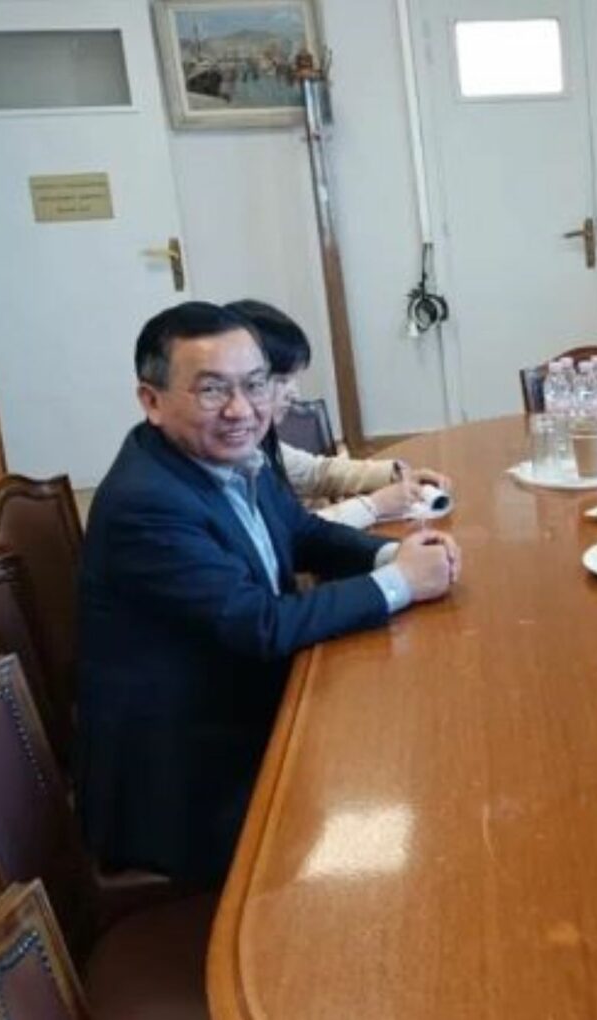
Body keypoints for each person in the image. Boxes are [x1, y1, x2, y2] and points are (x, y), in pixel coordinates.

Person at [78, 301, 463, 885]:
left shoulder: (229, 455)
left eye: (255, 385)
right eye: (212, 390)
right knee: (410, 799)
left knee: (421, 742)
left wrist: (395, 554)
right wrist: (400, 583)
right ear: (151, 401)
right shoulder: (147, 503)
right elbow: (260, 624)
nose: (242, 409)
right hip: (189, 781)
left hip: (241, 712)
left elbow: (302, 533)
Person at [226, 299, 453, 530]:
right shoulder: (226, 457)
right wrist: (374, 505)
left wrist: (394, 475)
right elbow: (282, 535)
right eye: (282, 380)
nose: (295, 394)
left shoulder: (259, 441)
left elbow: (316, 472)